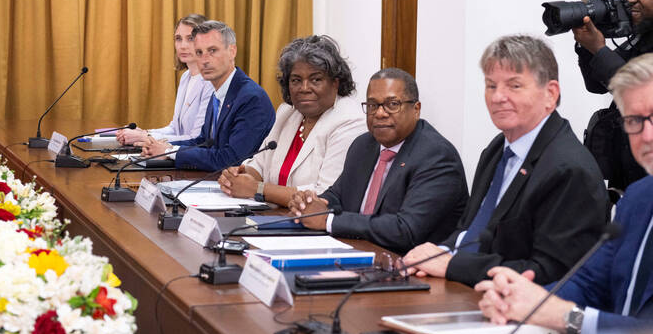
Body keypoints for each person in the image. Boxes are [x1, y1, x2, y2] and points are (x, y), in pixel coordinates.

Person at [402, 35, 607, 287]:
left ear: (550, 94)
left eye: (514, 86)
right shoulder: (497, 148)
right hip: (465, 290)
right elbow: (469, 231)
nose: (498, 97)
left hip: (520, 312)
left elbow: (551, 271)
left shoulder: (569, 170)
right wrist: (436, 254)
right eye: (491, 86)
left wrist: (453, 266)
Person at [477, 53, 653, 334]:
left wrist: (567, 317)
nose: (645, 135)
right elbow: (588, 282)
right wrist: (522, 299)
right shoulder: (638, 198)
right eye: (634, 120)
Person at [286, 68, 468, 253]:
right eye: (373, 105)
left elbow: (405, 230)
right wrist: (309, 205)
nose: (380, 113)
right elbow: (338, 196)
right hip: (358, 254)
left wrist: (327, 220)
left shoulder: (436, 156)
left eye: (392, 104)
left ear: (416, 109)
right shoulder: (363, 145)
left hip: (409, 268)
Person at [218, 36, 365, 206]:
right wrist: (240, 175)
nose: (304, 88)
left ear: (335, 83)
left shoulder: (350, 121)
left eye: (316, 79)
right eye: (296, 80)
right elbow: (260, 165)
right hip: (277, 216)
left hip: (317, 226)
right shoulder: (288, 112)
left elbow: (325, 194)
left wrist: (257, 189)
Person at [141, 20, 275, 171]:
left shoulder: (251, 98)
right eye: (199, 53)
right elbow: (204, 142)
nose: (204, 60)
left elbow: (230, 159)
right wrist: (163, 147)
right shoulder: (217, 93)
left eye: (212, 51)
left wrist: (169, 152)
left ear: (232, 51)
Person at [574, 0, 653, 192]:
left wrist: (599, 49)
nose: (629, 0)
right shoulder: (642, 36)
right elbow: (598, 85)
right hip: (627, 177)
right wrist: (587, 47)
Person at [116, 14, 213, 146]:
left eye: (190, 39)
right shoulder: (186, 77)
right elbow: (174, 129)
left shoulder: (211, 82)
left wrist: (145, 137)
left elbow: (197, 138)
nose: (182, 46)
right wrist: (143, 132)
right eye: (178, 39)